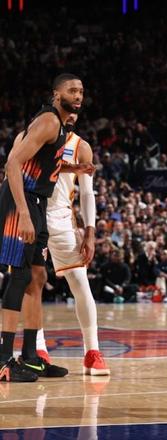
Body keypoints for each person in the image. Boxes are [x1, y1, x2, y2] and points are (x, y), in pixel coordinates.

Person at [0, 74, 91, 381]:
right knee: (20, 276)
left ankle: (31, 357)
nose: (77, 95)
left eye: (81, 91)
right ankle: (3, 361)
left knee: (37, 277)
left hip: (37, 202)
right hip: (22, 202)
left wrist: (75, 167)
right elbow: (12, 163)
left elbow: (42, 160)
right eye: (71, 90)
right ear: (56, 94)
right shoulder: (49, 121)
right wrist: (23, 214)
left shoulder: (60, 127)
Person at [31, 113, 110, 375]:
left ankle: (92, 352)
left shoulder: (80, 146)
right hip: (33, 213)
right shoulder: (36, 136)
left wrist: (90, 232)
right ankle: (38, 348)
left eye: (78, 102)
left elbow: (87, 193)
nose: (73, 113)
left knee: (79, 280)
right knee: (32, 283)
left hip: (62, 218)